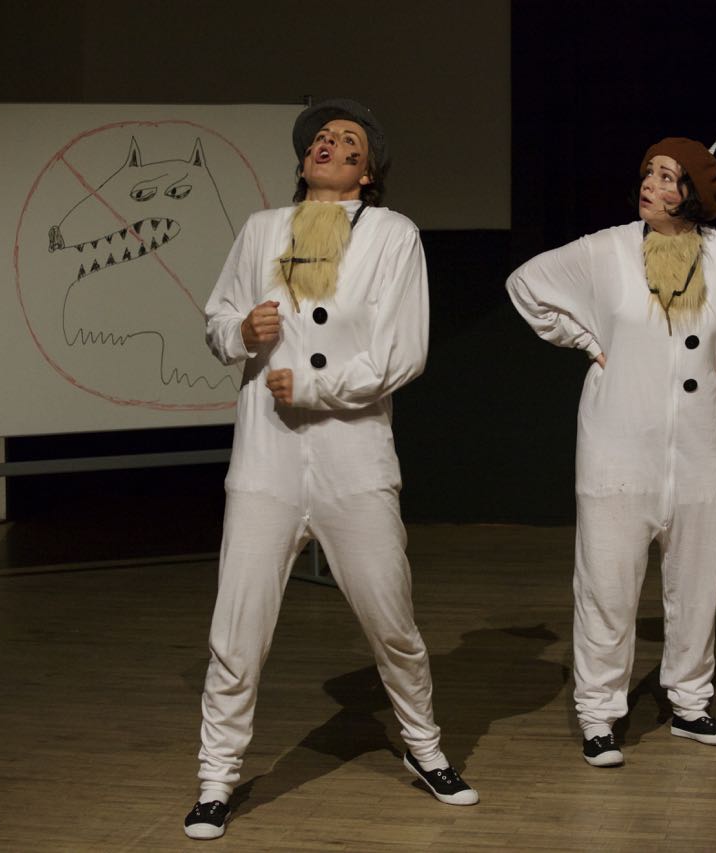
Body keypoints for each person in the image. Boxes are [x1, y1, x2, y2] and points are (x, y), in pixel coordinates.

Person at [184, 98, 477, 841]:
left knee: (391, 618)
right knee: (237, 626)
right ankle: (216, 778)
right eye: (320, 137)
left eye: (347, 140)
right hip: (267, 461)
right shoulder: (261, 229)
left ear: (366, 170)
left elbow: (403, 351)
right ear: (303, 159)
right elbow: (216, 319)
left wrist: (316, 386)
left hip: (353, 457)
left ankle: (425, 747)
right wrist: (239, 330)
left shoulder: (392, 235)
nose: (328, 143)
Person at [507, 137, 716, 766]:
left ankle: (690, 702)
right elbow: (526, 284)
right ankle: (599, 713)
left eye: (668, 177)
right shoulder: (608, 249)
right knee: (607, 582)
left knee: (697, 582)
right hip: (619, 443)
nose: (652, 185)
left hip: (699, 447)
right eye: (649, 173)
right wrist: (584, 339)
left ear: (695, 193)